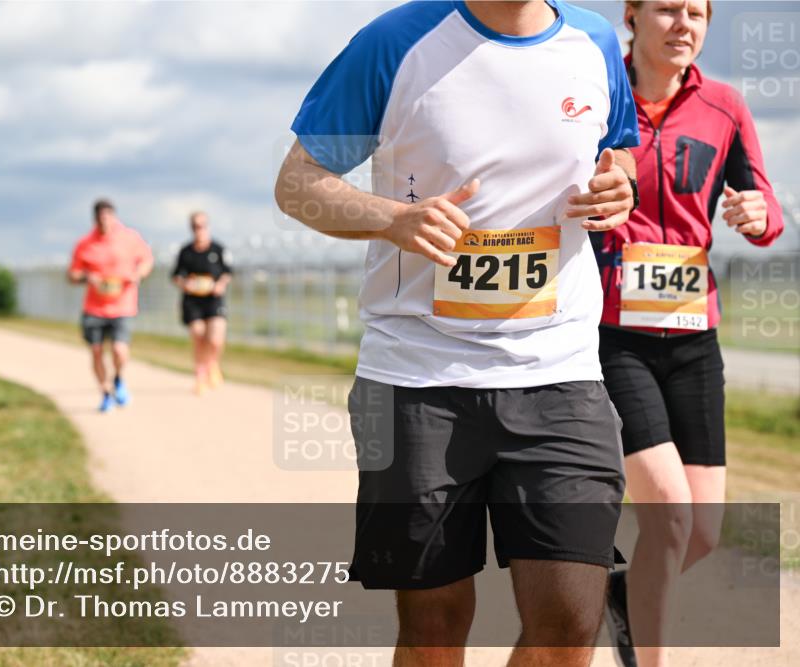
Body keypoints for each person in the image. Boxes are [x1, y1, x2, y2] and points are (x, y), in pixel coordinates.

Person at [275, 1, 640, 664]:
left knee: (571, 619)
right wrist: (391, 218)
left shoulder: (595, 41)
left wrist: (622, 190)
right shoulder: (395, 42)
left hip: (560, 373)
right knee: (434, 627)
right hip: (418, 380)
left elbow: (619, 152)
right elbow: (297, 184)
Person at [592, 2, 785, 666]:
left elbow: (765, 213)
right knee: (668, 514)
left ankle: (620, 598)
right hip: (617, 336)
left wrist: (757, 213)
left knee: (700, 532)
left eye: (697, 12)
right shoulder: (597, 97)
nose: (684, 25)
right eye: (668, 9)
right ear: (633, 15)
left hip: (695, 339)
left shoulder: (725, 105)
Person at [68, 199, 154, 413]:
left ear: (114, 217)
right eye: (101, 218)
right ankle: (105, 393)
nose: (105, 222)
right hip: (94, 307)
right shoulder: (85, 243)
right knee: (96, 351)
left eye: (109, 217)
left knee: (119, 350)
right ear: (95, 219)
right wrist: (88, 277)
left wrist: (138, 274)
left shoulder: (130, 237)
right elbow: (73, 274)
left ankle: (118, 379)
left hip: (123, 305)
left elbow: (146, 260)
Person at [172, 211, 233, 395]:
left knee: (215, 339)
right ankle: (200, 375)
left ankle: (212, 363)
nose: (199, 229)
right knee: (199, 335)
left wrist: (220, 285)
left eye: (202, 225)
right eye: (196, 226)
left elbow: (228, 271)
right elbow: (176, 275)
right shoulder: (186, 252)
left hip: (213, 300)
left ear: (208, 226)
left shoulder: (218, 249)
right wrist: (185, 284)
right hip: (193, 301)